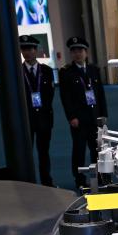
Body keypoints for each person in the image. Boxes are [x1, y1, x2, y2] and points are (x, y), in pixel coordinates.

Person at [59, 36, 108, 188]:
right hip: (78, 119)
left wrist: (104, 114)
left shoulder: (94, 70)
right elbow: (65, 97)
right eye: (74, 51)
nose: (77, 54)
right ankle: (79, 180)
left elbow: (100, 94)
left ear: (86, 52)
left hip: (95, 117)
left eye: (80, 50)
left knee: (97, 149)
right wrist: (71, 116)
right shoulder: (66, 72)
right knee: (79, 151)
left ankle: (99, 177)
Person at [19, 35, 56, 186]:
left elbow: (50, 94)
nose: (26, 52)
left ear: (36, 50)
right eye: (23, 49)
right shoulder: (17, 72)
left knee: (44, 152)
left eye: (29, 49)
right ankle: (27, 183)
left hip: (44, 118)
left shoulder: (46, 71)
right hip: (25, 120)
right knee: (25, 154)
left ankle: (46, 182)